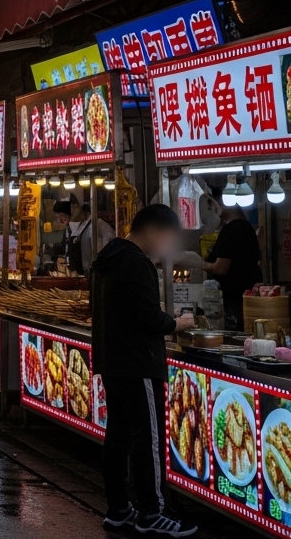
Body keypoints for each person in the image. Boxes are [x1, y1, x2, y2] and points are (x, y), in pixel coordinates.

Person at [91, 204, 197, 537]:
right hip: (138, 363)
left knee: (118, 437)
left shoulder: (106, 259)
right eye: (167, 236)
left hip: (112, 361)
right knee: (148, 440)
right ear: (152, 231)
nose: (166, 244)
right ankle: (153, 512)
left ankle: (119, 509)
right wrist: (176, 322)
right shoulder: (136, 263)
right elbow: (150, 319)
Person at [195, 203, 262, 331]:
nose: (212, 209)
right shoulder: (246, 227)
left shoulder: (232, 229)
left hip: (233, 304)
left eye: (213, 204)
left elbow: (220, 268)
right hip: (247, 301)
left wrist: (197, 262)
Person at [53, 200, 114, 275]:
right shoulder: (73, 227)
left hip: (94, 274)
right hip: (78, 276)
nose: (64, 222)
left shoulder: (97, 225)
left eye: (64, 218)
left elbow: (104, 253)